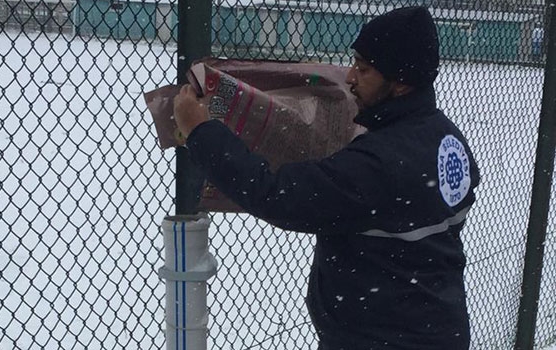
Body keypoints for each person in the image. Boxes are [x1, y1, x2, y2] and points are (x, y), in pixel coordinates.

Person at [173, 6, 480, 350]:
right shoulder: (446, 139)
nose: (349, 77)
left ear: (401, 82)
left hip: (380, 339)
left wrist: (201, 131)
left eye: (364, 70)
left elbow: (277, 195)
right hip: (436, 328)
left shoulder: (379, 163)